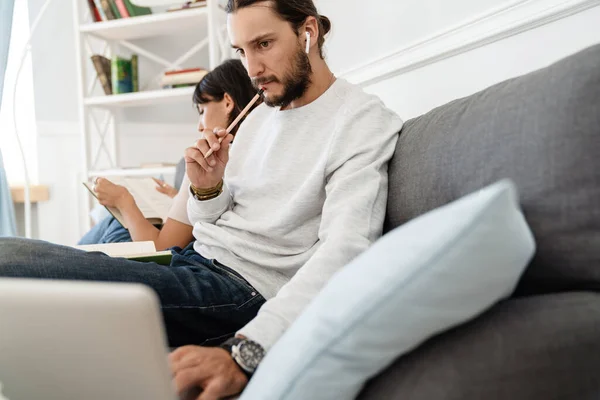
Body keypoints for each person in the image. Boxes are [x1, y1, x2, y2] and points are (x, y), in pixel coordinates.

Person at [0, 0, 403, 397]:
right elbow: (216, 218)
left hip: (239, 294)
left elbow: (346, 251)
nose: (253, 69)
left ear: (308, 32)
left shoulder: (360, 119)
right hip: (192, 262)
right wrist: (208, 186)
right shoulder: (261, 115)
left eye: (264, 44)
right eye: (241, 51)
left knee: (11, 264)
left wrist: (247, 351)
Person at [77, 59, 259, 251]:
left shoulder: (208, 161)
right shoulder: (257, 152)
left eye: (202, 110)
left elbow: (160, 248)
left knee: (113, 223)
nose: (199, 125)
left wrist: (123, 201)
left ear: (228, 102)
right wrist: (181, 200)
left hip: (167, 253)